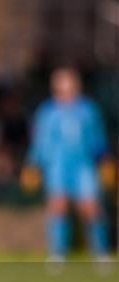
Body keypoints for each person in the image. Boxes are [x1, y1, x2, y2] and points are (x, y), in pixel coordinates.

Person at [21, 68, 115, 262]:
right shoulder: (47, 112)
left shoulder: (88, 110)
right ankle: (58, 253)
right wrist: (32, 164)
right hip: (57, 165)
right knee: (58, 206)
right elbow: (40, 142)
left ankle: (101, 252)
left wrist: (105, 159)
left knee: (90, 207)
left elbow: (98, 138)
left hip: (84, 165)